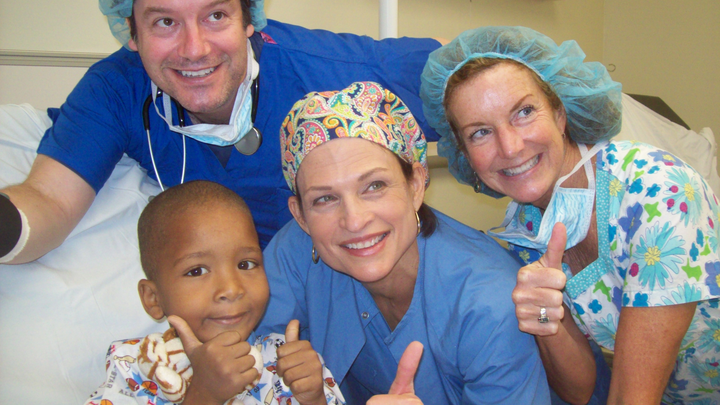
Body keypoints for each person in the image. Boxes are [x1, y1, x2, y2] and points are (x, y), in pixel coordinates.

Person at [0, 0, 442, 264]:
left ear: (249, 17)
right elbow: (49, 199)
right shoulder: (117, 90)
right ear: (132, 32)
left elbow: (473, 84)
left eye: (215, 15)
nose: (194, 49)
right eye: (165, 22)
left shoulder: (332, 71)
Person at [420, 25, 720, 404]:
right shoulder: (527, 231)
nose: (510, 147)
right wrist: (544, 319)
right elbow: (579, 389)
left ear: (560, 114)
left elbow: (633, 397)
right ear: (464, 153)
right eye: (480, 132)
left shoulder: (658, 191)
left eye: (524, 112)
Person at [258, 81, 552, 404]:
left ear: (415, 186)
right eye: (325, 199)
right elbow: (243, 364)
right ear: (300, 216)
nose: (354, 221)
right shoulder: (295, 253)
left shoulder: (488, 303)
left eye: (374, 186)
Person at [85, 180, 346, 405]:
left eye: (246, 265)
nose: (231, 289)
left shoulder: (290, 359)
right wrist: (203, 395)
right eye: (197, 271)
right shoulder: (135, 367)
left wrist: (314, 398)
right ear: (153, 298)